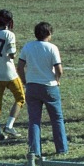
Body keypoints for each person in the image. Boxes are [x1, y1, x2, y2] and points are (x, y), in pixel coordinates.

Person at [17, 22, 68, 157]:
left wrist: (25, 81)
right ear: (48, 34)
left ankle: (34, 150)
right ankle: (61, 148)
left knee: (34, 120)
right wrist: (57, 79)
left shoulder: (28, 47)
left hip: (32, 86)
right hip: (50, 86)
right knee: (57, 119)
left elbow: (20, 67)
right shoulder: (52, 48)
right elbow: (59, 70)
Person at [0, 9, 25, 142]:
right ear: (10, 21)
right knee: (20, 98)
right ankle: (9, 125)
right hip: (9, 73)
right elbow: (12, 54)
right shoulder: (10, 34)